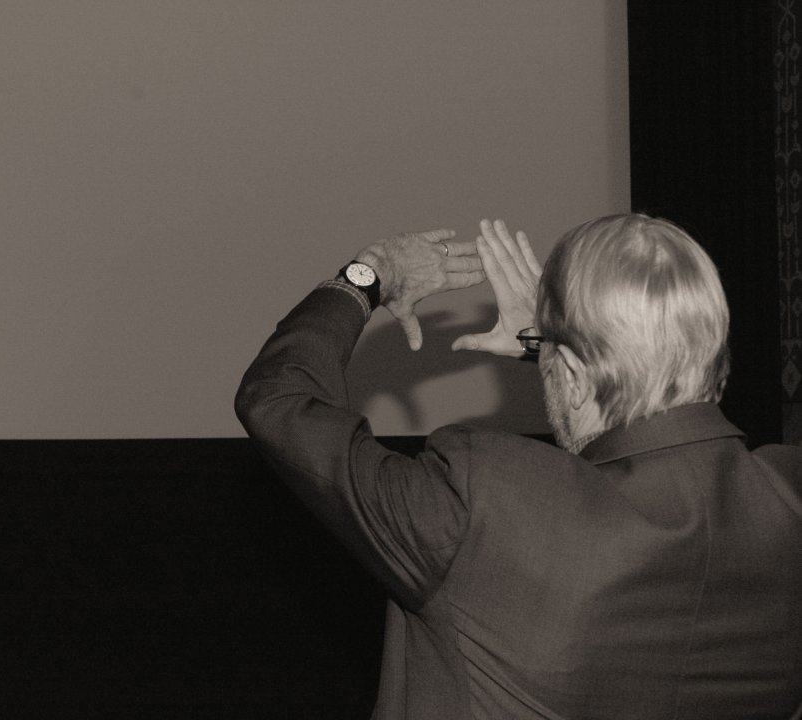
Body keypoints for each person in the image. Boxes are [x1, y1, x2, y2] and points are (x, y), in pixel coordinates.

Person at [235, 214, 802, 719]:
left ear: (573, 376)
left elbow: (279, 399)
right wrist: (560, 352)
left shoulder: (481, 498)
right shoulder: (786, 495)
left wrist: (370, 275)